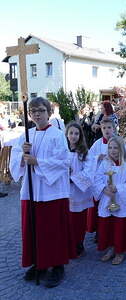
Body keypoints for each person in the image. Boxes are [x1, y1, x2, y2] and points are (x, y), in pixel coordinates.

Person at [10, 97, 70, 288]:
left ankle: (57, 265)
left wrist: (38, 162)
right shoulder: (26, 135)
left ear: (49, 112)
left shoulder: (57, 135)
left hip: (51, 192)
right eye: (33, 111)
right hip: (31, 190)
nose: (37, 114)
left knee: (52, 229)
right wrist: (22, 155)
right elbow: (16, 161)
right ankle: (39, 264)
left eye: (41, 111)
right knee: (34, 229)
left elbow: (63, 162)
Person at [94, 136, 126, 265]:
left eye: (116, 147)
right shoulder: (105, 164)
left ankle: (120, 251)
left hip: (122, 202)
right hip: (107, 199)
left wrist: (118, 188)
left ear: (121, 149)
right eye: (110, 147)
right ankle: (111, 248)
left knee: (119, 226)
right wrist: (104, 189)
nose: (113, 150)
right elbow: (97, 178)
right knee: (109, 225)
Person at [66, 122, 94, 258]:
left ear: (80, 135)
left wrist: (72, 179)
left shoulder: (84, 152)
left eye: (76, 133)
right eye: (71, 133)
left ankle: (79, 242)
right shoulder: (62, 151)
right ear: (66, 134)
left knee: (79, 219)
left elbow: (89, 172)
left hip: (79, 191)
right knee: (67, 219)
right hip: (65, 191)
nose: (73, 136)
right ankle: (68, 243)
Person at [87, 119, 115, 235]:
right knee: (99, 206)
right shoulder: (97, 143)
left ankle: (112, 231)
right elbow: (89, 158)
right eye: (104, 128)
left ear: (114, 128)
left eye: (109, 127)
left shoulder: (117, 142)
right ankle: (99, 231)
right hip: (100, 179)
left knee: (112, 204)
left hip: (113, 178)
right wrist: (98, 157)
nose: (106, 130)